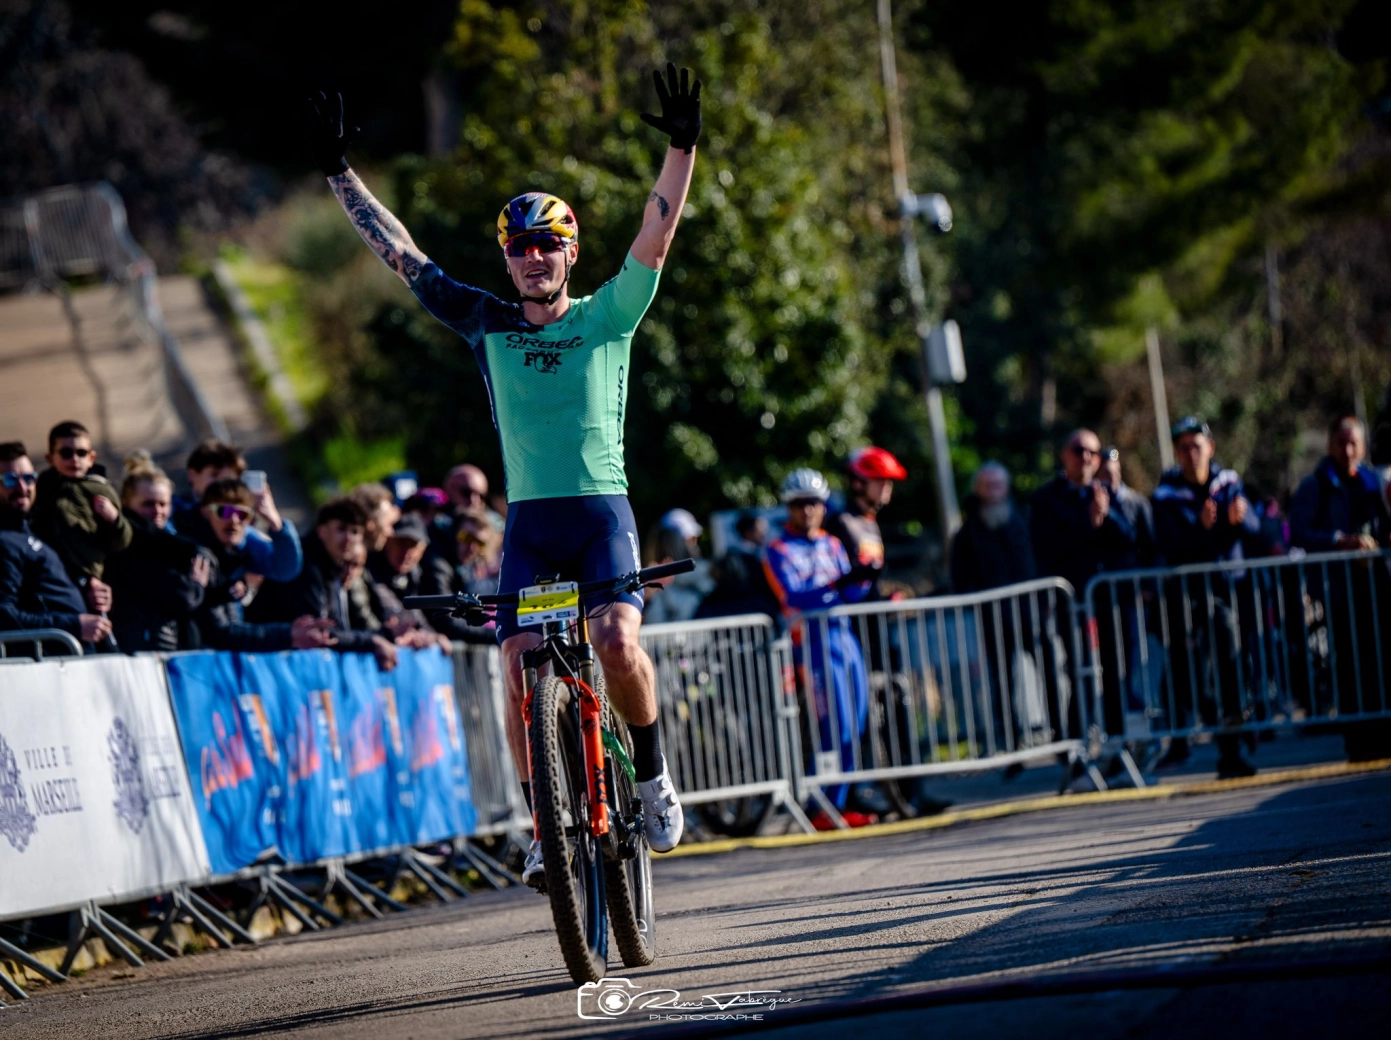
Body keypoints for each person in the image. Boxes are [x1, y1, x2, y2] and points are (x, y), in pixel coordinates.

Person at [310, 62, 702, 881]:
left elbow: (657, 232)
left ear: (570, 252)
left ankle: (656, 777)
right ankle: (545, 828)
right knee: (516, 661)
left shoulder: (607, 317)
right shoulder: (485, 322)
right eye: (519, 247)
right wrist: (339, 173)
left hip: (600, 516)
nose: (532, 259)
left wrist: (683, 145)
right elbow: (401, 254)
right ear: (507, 256)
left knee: (616, 637)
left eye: (546, 245)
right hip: (531, 525)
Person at [762, 469, 878, 828]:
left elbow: (849, 591)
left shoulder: (832, 543)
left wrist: (863, 579)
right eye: (800, 504)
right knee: (833, 727)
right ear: (790, 507)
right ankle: (821, 805)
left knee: (856, 724)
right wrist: (837, 585)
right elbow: (792, 597)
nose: (808, 510)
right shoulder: (777, 549)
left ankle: (838, 803)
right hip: (812, 643)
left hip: (845, 636)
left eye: (814, 503)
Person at [1151, 417, 1260, 778]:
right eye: (1183, 447)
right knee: (1190, 672)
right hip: (1189, 598)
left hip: (1232, 588)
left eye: (1196, 445)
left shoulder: (1228, 481)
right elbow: (1168, 543)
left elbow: (1256, 529)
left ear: (1210, 447)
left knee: (1236, 663)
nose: (1190, 453)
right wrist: (1201, 527)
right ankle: (1209, 732)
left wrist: (1239, 519)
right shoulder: (1167, 493)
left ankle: (1233, 745)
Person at [1288, 415, 1391, 761]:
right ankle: (1358, 741)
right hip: (1337, 592)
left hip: (1375, 589)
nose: (1348, 450)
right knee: (1349, 665)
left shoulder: (1373, 483)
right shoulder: (1315, 486)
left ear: (1362, 447)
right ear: (1331, 445)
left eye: (1354, 443)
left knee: (1379, 661)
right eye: (1341, 443)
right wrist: (1340, 542)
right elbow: (1299, 532)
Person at [247, 497, 399, 671]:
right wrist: (372, 639)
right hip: (268, 664)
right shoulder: (304, 564)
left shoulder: (332, 567)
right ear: (321, 530)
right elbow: (321, 630)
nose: (348, 539)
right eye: (341, 529)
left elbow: (338, 627)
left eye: (355, 532)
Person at [182, 480, 335, 653]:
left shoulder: (237, 549)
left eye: (242, 514)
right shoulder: (198, 556)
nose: (233, 520)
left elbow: (286, 569)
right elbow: (220, 633)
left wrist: (276, 524)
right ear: (205, 513)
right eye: (224, 511)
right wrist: (288, 634)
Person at [29, 420, 133, 642]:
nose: (74, 459)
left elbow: (121, 541)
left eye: (81, 452)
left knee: (99, 631)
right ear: (50, 458)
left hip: (91, 576)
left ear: (91, 458)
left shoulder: (100, 489)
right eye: (66, 453)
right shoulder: (41, 488)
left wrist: (113, 519)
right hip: (54, 574)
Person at [0, 442, 111, 648]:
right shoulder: (4, 541)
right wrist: (72, 626)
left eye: (28, 478)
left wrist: (88, 589)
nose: (22, 488)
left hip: (77, 661)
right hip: (52, 668)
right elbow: (4, 614)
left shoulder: (37, 530)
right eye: (9, 480)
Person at [105, 451, 210, 652]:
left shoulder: (170, 543)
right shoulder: (126, 545)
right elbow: (182, 595)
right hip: (143, 650)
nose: (157, 511)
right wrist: (196, 585)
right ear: (125, 504)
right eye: (148, 504)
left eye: (163, 504)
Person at [172, 440, 302, 583]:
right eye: (214, 475)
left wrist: (276, 523)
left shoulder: (239, 529)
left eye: (230, 479)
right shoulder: (172, 512)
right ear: (192, 475)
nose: (222, 485)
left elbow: (284, 569)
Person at [825, 446, 908, 601]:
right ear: (858, 483)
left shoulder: (871, 523)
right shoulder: (841, 522)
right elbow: (833, 579)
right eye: (879, 480)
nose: (886, 485)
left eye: (888, 480)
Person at [950, 462, 1035, 593]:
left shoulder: (1025, 521)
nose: (993, 491)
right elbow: (960, 578)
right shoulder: (966, 535)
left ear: (1006, 487)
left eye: (998, 485)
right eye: (988, 485)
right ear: (977, 488)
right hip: (984, 608)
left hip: (1027, 605)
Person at [696, 510, 781, 625]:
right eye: (759, 529)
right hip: (745, 613)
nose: (764, 534)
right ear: (748, 532)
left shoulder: (759, 555)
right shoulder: (734, 559)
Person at [642, 509, 715, 625]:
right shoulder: (651, 582)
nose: (694, 543)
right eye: (689, 538)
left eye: (694, 538)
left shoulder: (706, 571)